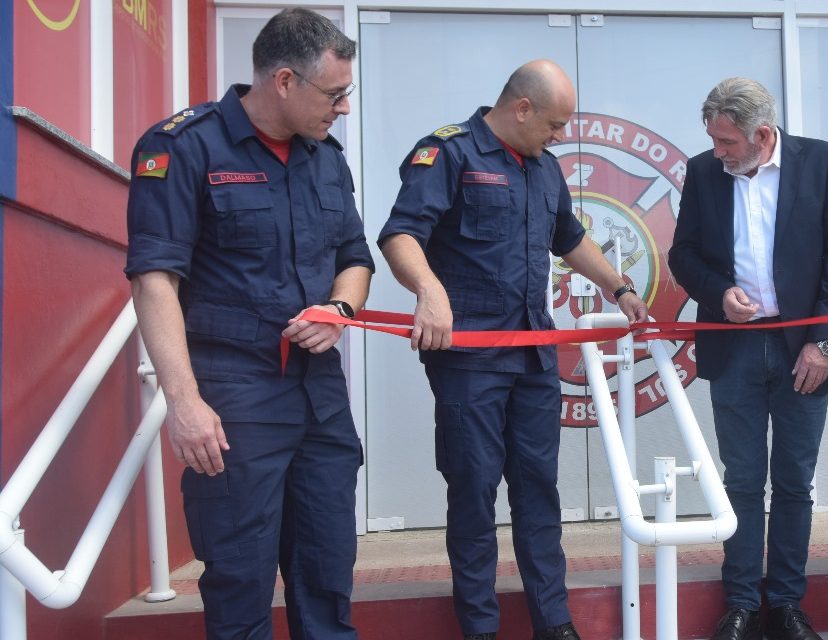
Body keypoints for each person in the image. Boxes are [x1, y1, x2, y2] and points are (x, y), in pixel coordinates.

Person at [125, 8, 372, 639]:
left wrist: (340, 309)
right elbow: (155, 278)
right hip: (233, 397)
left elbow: (355, 257)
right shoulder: (183, 146)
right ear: (284, 81)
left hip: (319, 395)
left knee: (328, 568)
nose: (344, 108)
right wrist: (184, 402)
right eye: (335, 93)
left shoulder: (326, 158)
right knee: (239, 578)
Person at [378, 59, 647, 640]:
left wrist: (619, 287)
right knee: (474, 493)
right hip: (469, 362)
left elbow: (569, 238)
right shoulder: (448, 153)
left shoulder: (545, 168)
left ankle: (554, 623)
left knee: (538, 492)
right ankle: (480, 627)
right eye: (553, 124)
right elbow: (400, 234)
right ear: (521, 108)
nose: (559, 136)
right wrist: (428, 291)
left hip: (532, 358)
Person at [669, 77, 828, 640]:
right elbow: (683, 254)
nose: (717, 152)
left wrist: (824, 341)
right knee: (743, 480)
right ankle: (743, 603)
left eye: (727, 141)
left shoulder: (822, 162)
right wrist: (719, 293)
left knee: (795, 480)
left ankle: (787, 605)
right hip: (735, 348)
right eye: (713, 139)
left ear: (764, 134)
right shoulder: (704, 172)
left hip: (805, 347)